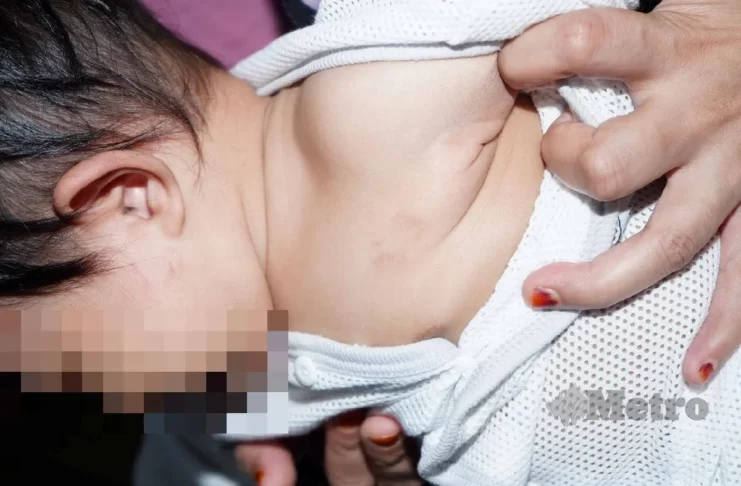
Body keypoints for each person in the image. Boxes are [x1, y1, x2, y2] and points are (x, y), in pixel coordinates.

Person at [0, 0, 738, 485]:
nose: (119, 401)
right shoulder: (236, 367)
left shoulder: (374, 89)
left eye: (75, 368)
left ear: (129, 198)